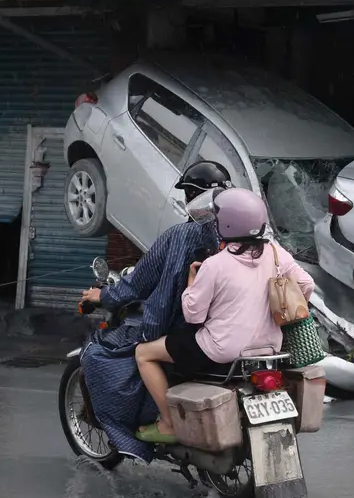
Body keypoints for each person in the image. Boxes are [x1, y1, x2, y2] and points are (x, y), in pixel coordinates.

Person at [133, 188, 315, 443]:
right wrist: (281, 311)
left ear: (226, 225)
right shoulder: (275, 253)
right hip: (269, 351)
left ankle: (168, 423)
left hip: (221, 352)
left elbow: (193, 316)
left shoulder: (215, 265)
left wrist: (191, 282)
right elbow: (306, 285)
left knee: (144, 353)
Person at [78, 161, 232, 461]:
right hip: (250, 338)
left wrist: (105, 295)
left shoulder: (180, 237)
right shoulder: (253, 245)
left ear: (191, 197)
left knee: (104, 355)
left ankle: (163, 422)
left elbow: (137, 284)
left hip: (194, 336)